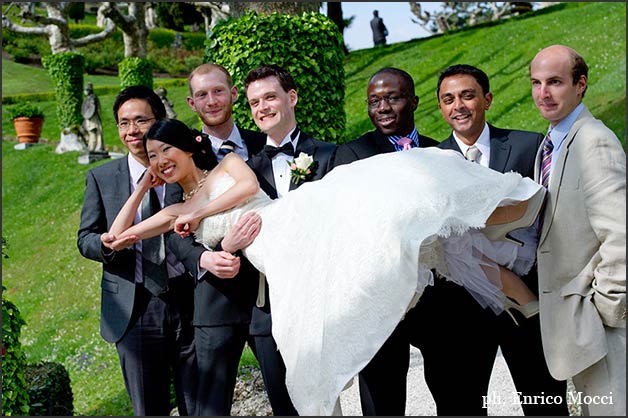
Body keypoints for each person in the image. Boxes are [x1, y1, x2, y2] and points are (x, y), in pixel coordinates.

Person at [105, 117, 546, 416]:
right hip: (279, 261)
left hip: (295, 225)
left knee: (399, 218)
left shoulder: (228, 165)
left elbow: (243, 191)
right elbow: (117, 236)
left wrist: (199, 215)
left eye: (166, 151)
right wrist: (143, 185)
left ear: (187, 146)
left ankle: (500, 220)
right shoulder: (175, 207)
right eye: (153, 156)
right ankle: (525, 300)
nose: (161, 161)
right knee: (398, 252)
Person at [404, 63, 567, 415]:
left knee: (545, 400)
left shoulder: (528, 145)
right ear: (440, 107)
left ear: (487, 99)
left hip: (527, 300)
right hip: (458, 310)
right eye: (448, 99)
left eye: (467, 96)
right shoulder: (430, 162)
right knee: (461, 405)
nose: (458, 106)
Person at [77, 86, 198, 416]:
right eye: (123, 122)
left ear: (158, 121)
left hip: (189, 299)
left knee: (200, 405)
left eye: (141, 120)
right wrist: (102, 244)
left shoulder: (182, 168)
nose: (132, 131)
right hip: (133, 307)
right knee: (148, 408)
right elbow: (85, 237)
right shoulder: (101, 178)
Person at [334, 67, 439, 416]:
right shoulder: (353, 154)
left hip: (438, 294)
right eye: (374, 101)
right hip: (380, 294)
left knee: (453, 389)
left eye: (392, 98)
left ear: (413, 100)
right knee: (382, 397)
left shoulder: (441, 152)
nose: (383, 107)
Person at [530, 45, 626, 416]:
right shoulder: (550, 143)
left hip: (603, 325)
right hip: (573, 325)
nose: (543, 93)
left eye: (555, 82)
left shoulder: (594, 140)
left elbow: (621, 234)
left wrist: (607, 308)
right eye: (537, 83)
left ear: (580, 84)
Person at [242, 64, 338, 416]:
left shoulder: (329, 156)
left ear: (292, 97)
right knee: (284, 406)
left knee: (325, 403)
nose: (262, 108)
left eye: (270, 97)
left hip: (320, 301)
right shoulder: (247, 171)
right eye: (255, 103)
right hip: (267, 306)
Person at [184, 62, 266, 416]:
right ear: (191, 103)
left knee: (290, 395)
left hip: (270, 295)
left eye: (219, 91)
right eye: (202, 94)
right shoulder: (179, 152)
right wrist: (203, 258)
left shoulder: (265, 142)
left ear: (234, 94)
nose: (212, 100)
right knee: (212, 408)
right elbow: (173, 224)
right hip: (216, 297)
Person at [81, 82, 105, 152]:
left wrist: (88, 115)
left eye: (86, 90)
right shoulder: (88, 98)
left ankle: (93, 147)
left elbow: (93, 109)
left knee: (93, 132)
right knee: (89, 132)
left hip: (93, 119)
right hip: (89, 118)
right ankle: (91, 147)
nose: (85, 92)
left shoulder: (93, 98)